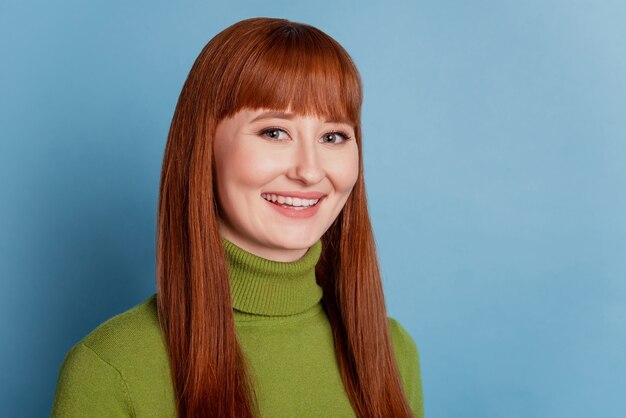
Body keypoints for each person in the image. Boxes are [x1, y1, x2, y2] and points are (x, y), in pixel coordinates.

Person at [51, 17, 424, 418]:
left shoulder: (392, 351)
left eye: (332, 137)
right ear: (204, 147)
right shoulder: (110, 369)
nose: (310, 171)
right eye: (274, 132)